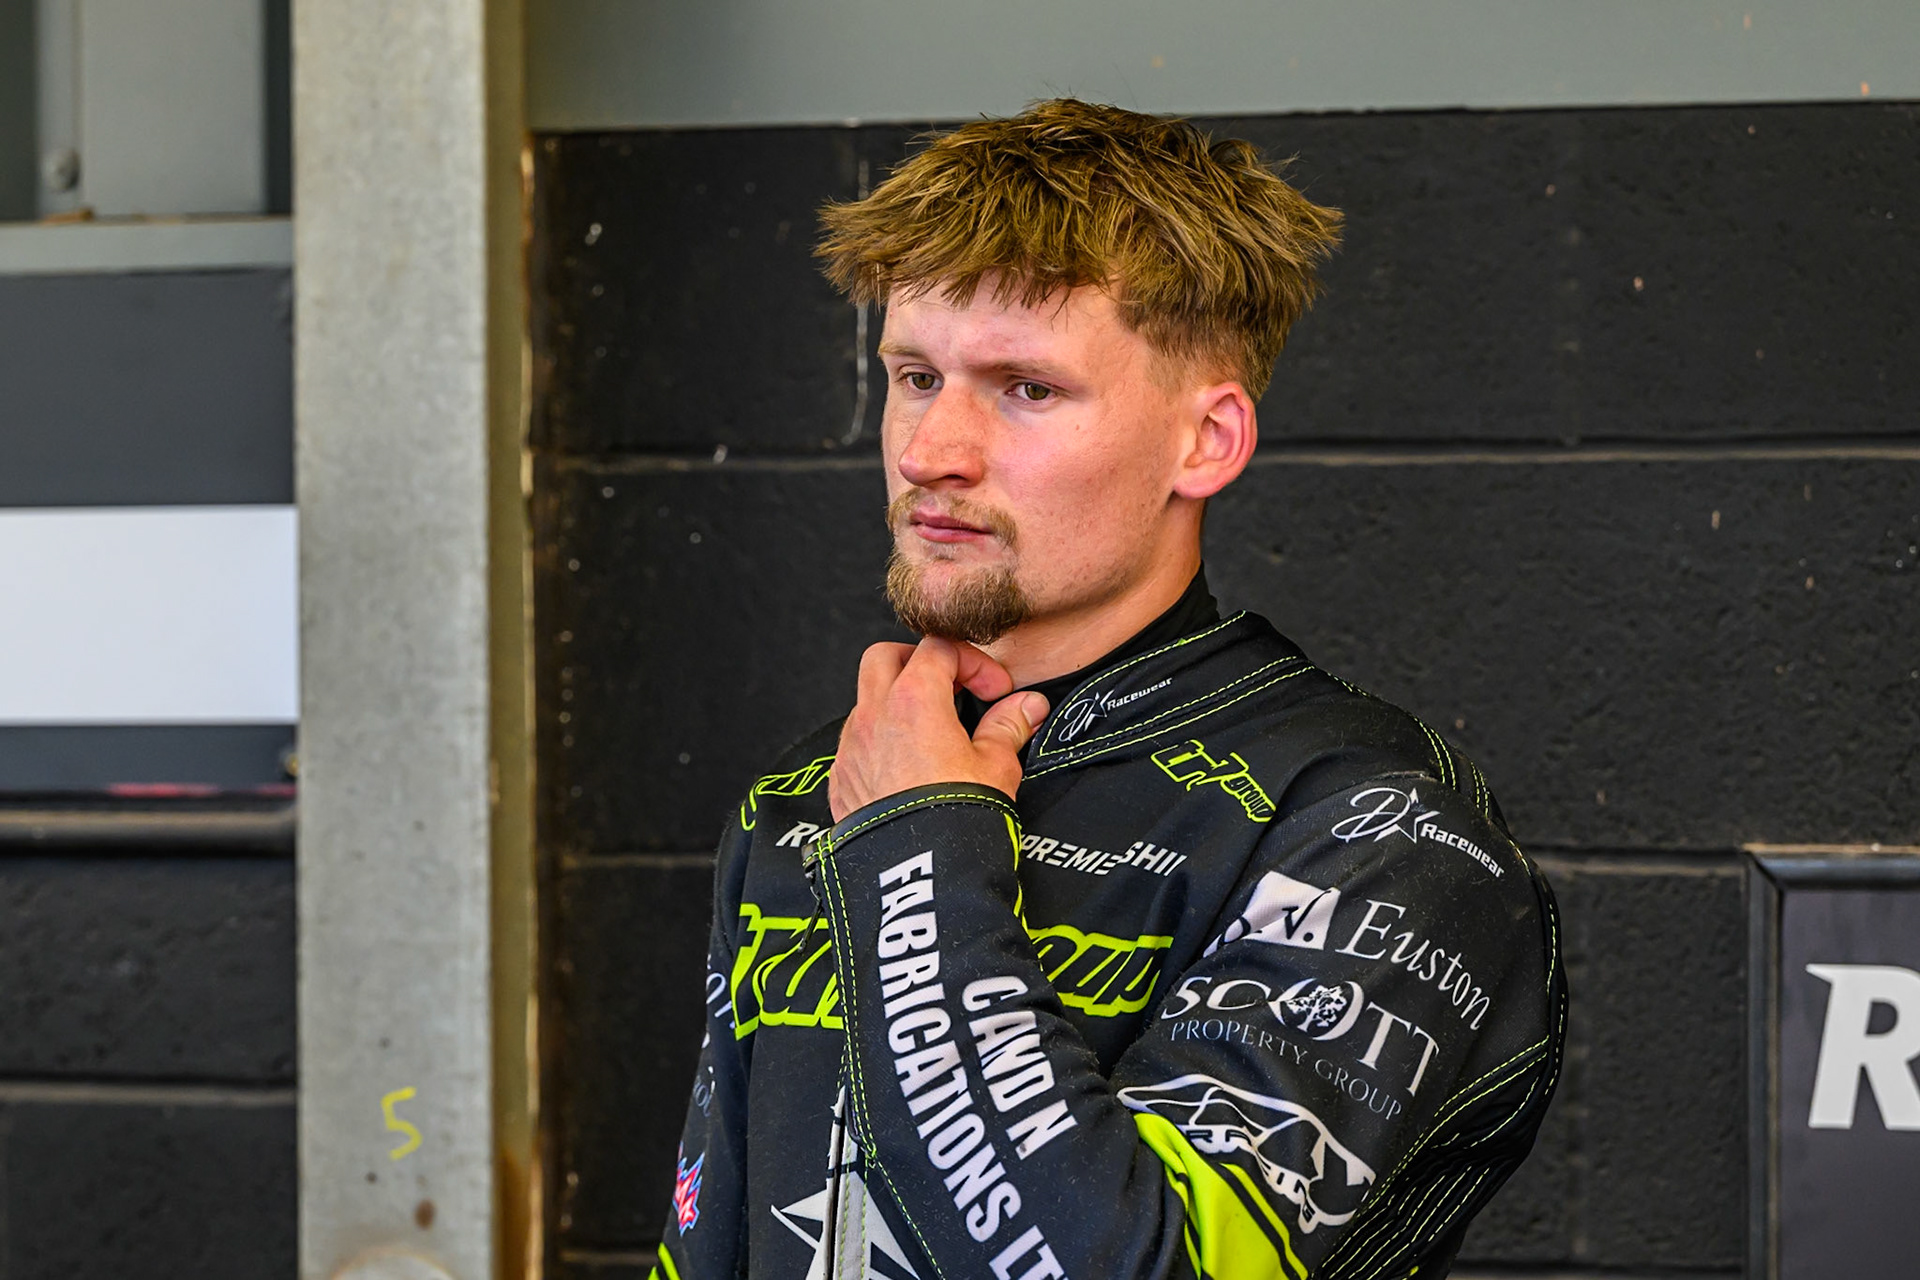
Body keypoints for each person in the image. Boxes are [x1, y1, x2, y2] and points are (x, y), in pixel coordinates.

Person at [650, 98, 1565, 1280]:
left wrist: (918, 851)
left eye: (1026, 388)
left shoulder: (1378, 836)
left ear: (1207, 441)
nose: (934, 449)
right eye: (917, 374)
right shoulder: (806, 793)